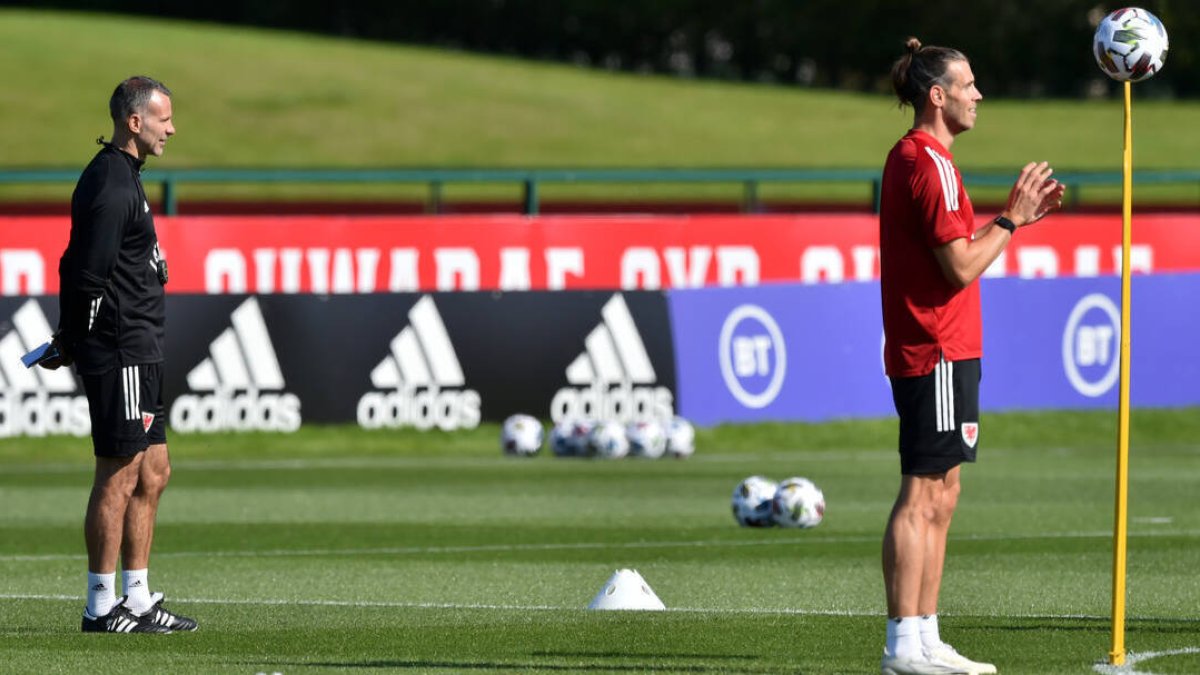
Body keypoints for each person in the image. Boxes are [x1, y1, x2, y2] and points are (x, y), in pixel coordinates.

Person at [877, 39, 1063, 675]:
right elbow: (958, 268)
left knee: (944, 491)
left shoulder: (928, 161)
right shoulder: (927, 163)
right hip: (934, 346)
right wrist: (1010, 221)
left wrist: (1014, 221)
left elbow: (955, 253)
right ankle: (902, 640)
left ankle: (925, 635)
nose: (978, 94)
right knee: (921, 490)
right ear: (939, 96)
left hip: (949, 346)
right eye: (969, 84)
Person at [42, 76, 196, 633]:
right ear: (136, 122)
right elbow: (82, 270)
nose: (172, 128)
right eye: (164, 119)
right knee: (119, 472)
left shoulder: (126, 176)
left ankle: (137, 596)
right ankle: (100, 606)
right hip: (122, 348)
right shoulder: (109, 182)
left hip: (143, 347)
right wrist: (74, 338)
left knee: (154, 470)